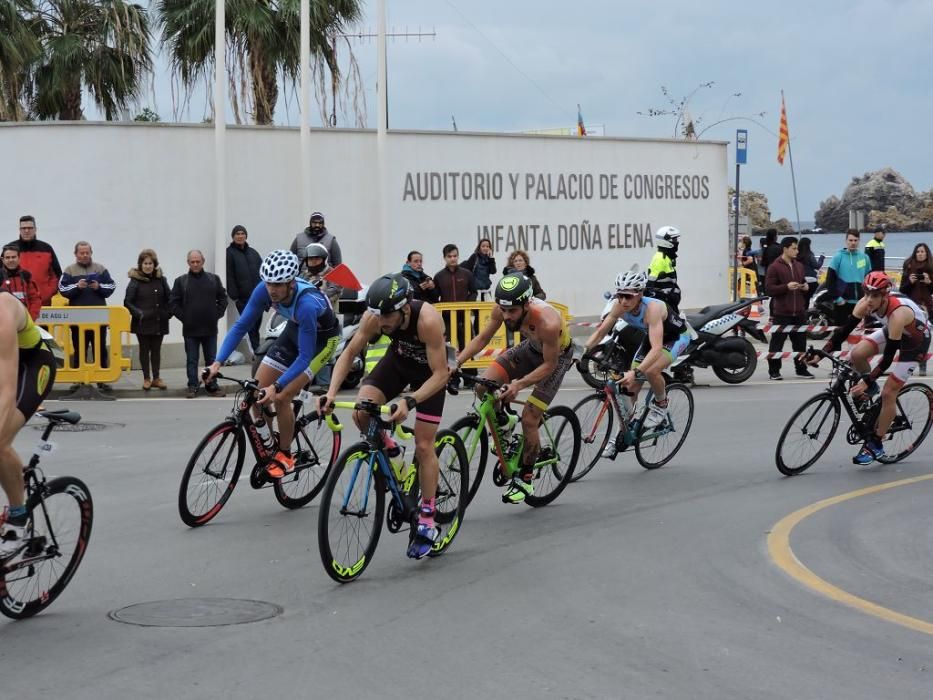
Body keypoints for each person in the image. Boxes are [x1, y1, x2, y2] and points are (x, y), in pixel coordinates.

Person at [319, 273, 450, 559]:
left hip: (429, 376)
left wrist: (409, 401)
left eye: (388, 315)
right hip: (399, 363)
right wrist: (331, 393)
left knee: (425, 445)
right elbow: (349, 351)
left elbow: (442, 373)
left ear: (405, 308)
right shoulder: (374, 317)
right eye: (378, 315)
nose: (382, 322)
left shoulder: (427, 320)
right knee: (362, 411)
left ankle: (427, 517)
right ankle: (393, 455)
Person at [207, 250, 340, 479]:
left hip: (322, 341)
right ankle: (270, 441)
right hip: (295, 329)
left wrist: (277, 387)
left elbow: (304, 357)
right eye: (269, 283)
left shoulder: (307, 304)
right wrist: (217, 362)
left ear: (290, 283)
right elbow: (241, 326)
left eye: (278, 285)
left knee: (280, 397)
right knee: (256, 389)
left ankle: (285, 455)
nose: (272, 289)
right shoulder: (264, 290)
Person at [456, 274, 575, 502]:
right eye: (504, 310)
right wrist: (457, 362)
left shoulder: (548, 322)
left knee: (530, 418)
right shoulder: (502, 309)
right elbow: (482, 339)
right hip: (531, 348)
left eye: (512, 311)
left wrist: (519, 384)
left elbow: (549, 364)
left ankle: (526, 478)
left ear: (526, 304)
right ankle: (505, 422)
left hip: (556, 358)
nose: (507, 316)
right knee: (484, 387)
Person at [812, 271, 931, 464]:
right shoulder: (865, 304)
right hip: (893, 331)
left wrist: (867, 380)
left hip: (915, 342)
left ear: (885, 296)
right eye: (866, 293)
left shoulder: (898, 313)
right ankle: (872, 392)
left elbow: (887, 358)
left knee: (888, 393)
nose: (868, 300)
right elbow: (843, 333)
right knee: (857, 354)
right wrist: (821, 352)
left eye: (874, 296)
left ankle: (876, 445)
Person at [583, 270, 690, 459]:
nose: (623, 301)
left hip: (675, 338)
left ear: (640, 294)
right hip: (652, 338)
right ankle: (621, 434)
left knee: (651, 371)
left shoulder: (653, 309)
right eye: (620, 295)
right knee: (629, 387)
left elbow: (657, 349)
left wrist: (636, 371)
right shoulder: (618, 307)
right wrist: (585, 351)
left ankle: (661, 403)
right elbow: (600, 333)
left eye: (628, 296)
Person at [0, 291, 57, 560]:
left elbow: (6, 390)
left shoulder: (3, 312)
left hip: (32, 366)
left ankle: (18, 518)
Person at [58, 241, 116, 390]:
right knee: (79, 348)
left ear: (91, 253)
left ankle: (102, 379)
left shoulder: (100, 268)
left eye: (87, 252)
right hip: (77, 319)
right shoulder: (70, 270)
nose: (84, 255)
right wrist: (77, 287)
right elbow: (62, 288)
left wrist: (99, 287)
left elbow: (111, 285)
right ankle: (78, 379)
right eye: (81, 253)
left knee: (100, 348)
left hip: (98, 317)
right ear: (75, 254)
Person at [170, 250, 228, 399]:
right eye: (192, 262)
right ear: (188, 263)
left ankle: (212, 386)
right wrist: (185, 317)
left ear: (203, 261)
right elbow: (173, 303)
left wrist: (217, 314)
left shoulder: (213, 279)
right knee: (192, 360)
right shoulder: (181, 281)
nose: (195, 264)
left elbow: (223, 298)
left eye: (198, 261)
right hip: (190, 329)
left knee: (212, 360)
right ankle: (192, 386)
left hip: (210, 328)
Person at [764, 237, 813, 380]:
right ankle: (774, 371)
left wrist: (805, 287)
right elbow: (769, 289)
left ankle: (801, 369)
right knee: (776, 344)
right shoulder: (774, 267)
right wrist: (786, 287)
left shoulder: (799, 266)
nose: (797, 251)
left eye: (797, 248)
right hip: (782, 312)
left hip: (799, 311)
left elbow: (804, 282)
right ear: (785, 249)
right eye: (794, 248)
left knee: (800, 343)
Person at [124, 249, 172, 391]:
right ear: (140, 264)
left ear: (154, 264)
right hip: (142, 322)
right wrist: (139, 314)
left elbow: (170, 299)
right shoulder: (135, 281)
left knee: (156, 350)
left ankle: (156, 378)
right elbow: (127, 302)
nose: (148, 266)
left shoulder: (161, 280)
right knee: (144, 350)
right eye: (145, 263)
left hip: (159, 321)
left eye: (150, 263)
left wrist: (168, 313)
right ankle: (146, 378)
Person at [225, 224, 263, 354]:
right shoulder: (229, 253)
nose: (240, 236)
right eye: (237, 234)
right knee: (250, 326)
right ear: (233, 236)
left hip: (258, 297)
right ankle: (257, 352)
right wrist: (235, 295)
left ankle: (257, 351)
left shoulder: (253, 253)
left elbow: (262, 272)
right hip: (243, 299)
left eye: (242, 234)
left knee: (256, 325)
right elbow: (229, 275)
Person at [8, 215, 61, 306]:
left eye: (30, 228)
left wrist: (47, 293)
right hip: (16, 304)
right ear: (20, 230)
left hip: (43, 302)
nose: (27, 231)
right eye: (23, 228)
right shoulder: (10, 249)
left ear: (35, 229)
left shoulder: (46, 248)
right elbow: (2, 274)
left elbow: (57, 275)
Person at [824, 229, 871, 326]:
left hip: (860, 302)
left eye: (855, 240)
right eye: (850, 240)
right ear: (846, 241)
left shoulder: (864, 257)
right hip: (843, 302)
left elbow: (869, 279)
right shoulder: (838, 257)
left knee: (858, 334)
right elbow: (829, 281)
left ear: (859, 241)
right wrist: (837, 298)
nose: (853, 243)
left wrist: (868, 298)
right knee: (841, 333)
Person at [899, 242, 933, 375]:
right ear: (915, 253)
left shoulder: (931, 268)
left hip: (927, 307)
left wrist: (929, 282)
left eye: (922, 251)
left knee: (925, 337)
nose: (920, 254)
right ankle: (908, 364)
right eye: (918, 251)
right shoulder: (908, 267)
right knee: (909, 337)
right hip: (911, 308)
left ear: (927, 253)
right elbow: (902, 289)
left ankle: (922, 363)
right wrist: (910, 282)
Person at [646, 225, 682, 311]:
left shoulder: (667, 258)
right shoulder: (660, 258)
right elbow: (651, 284)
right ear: (665, 241)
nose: (676, 242)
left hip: (669, 302)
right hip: (664, 303)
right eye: (674, 239)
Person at [1, 244, 42, 320]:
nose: (11, 260)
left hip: (25, 321)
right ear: (3, 260)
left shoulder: (26, 275)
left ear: (19, 258)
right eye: (7, 257)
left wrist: (30, 318)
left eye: (13, 257)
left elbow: (35, 299)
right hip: (4, 322)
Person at [298, 242, 342, 306]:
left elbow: (333, 291)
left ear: (324, 260)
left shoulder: (334, 275)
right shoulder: (303, 275)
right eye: (310, 259)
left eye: (317, 259)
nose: (313, 262)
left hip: (328, 311)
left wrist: (316, 294)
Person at [796, 237, 825, 308]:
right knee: (817, 296)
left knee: (802, 299)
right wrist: (821, 258)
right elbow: (816, 266)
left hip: (800, 280)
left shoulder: (796, 254)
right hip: (811, 280)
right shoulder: (809, 254)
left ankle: (802, 313)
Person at [759, 228, 782, 294]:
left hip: (768, 271)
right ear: (775, 237)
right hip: (777, 272)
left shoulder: (766, 247)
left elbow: (763, 262)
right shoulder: (778, 247)